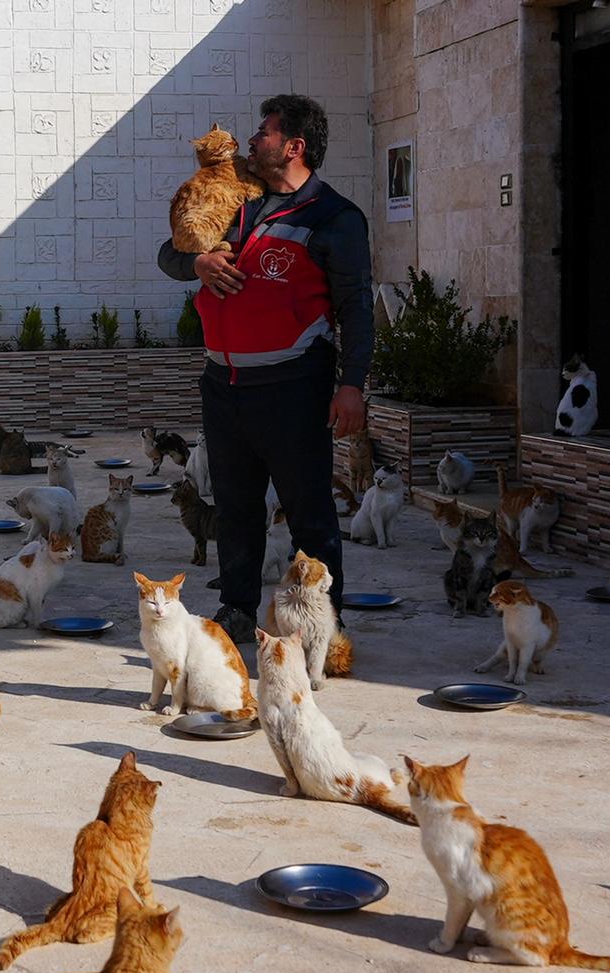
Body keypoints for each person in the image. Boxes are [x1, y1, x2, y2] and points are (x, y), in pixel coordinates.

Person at [156, 94, 373, 642]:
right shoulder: (236, 202)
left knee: (308, 511)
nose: (252, 141)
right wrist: (197, 263)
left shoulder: (336, 219)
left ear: (294, 147)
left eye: (265, 133)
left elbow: (356, 307)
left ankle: (325, 621)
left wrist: (351, 386)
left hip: (294, 385)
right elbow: (167, 254)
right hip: (223, 383)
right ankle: (236, 608)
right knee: (234, 506)